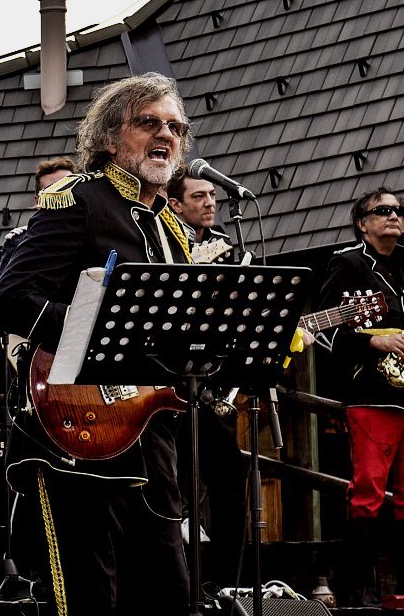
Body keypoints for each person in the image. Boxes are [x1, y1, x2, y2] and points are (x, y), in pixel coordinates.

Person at [0, 72, 193, 615]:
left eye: (175, 127)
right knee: (90, 597)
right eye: (148, 122)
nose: (165, 135)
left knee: (168, 594)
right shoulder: (79, 200)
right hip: (80, 424)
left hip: (152, 433)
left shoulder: (171, 229)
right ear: (109, 137)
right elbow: (11, 300)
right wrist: (103, 330)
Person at [316, 188, 404, 608]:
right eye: (382, 210)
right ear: (362, 223)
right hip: (372, 394)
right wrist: (374, 341)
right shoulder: (348, 264)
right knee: (367, 490)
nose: (393, 216)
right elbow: (323, 331)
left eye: (398, 210)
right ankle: (358, 592)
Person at [166, 169, 247, 588]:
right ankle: (181, 586)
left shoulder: (227, 247)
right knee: (174, 489)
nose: (211, 202)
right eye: (199, 196)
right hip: (168, 385)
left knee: (231, 483)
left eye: (213, 195)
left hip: (213, 384)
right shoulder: (162, 241)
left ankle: (227, 584)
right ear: (176, 205)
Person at [0, 157, 75, 283]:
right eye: (52, 192)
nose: (61, 197)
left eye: (69, 189)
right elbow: (6, 288)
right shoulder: (20, 240)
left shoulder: (94, 232)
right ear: (38, 201)